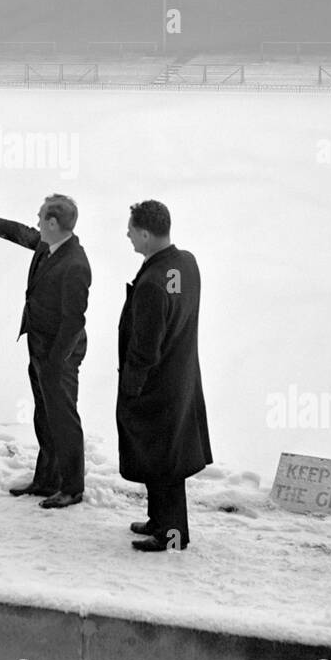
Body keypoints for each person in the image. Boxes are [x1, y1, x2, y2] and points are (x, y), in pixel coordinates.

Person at [0, 196, 89, 508]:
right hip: (41, 346)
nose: (35, 221)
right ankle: (47, 480)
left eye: (40, 217)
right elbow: (21, 233)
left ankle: (71, 488)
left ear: (53, 223)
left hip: (60, 353)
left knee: (63, 419)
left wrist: (56, 362)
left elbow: (74, 322)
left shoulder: (75, 263)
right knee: (45, 416)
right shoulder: (49, 245)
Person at [117, 200, 212, 551]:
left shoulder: (156, 282)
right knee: (163, 457)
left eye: (131, 229)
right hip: (180, 375)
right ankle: (160, 521)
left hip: (157, 384)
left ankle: (172, 536)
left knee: (163, 461)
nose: (127, 235)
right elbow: (174, 308)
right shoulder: (183, 264)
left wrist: (131, 385)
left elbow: (146, 344)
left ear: (145, 233)